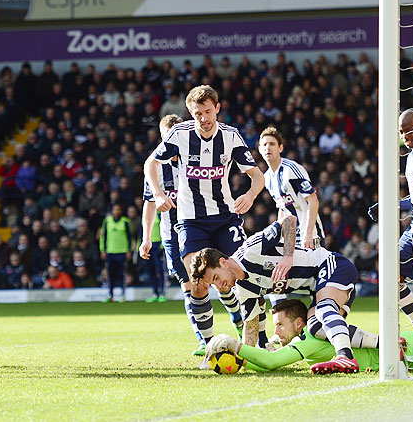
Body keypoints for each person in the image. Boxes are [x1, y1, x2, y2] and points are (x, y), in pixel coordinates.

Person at [144, 85, 264, 347]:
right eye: (198, 113)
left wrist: (251, 195)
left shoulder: (231, 136)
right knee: (198, 282)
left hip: (224, 217)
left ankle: (259, 343)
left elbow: (257, 176)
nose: (204, 118)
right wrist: (158, 194)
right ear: (190, 112)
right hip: (191, 221)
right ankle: (210, 348)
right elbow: (150, 163)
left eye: (208, 112)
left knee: (242, 275)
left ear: (217, 109)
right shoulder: (179, 134)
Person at [190, 215, 372, 374]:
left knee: (324, 310)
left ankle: (345, 357)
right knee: (316, 328)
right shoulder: (243, 290)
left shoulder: (251, 251)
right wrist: (241, 356)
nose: (219, 285)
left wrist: (287, 257)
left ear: (223, 262)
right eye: (213, 283)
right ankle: (386, 343)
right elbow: (251, 328)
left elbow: (289, 221)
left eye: (216, 277)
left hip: (329, 265)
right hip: (317, 288)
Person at [205, 299, 413, 373]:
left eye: (280, 325)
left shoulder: (309, 338)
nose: (275, 332)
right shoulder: (303, 338)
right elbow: (267, 366)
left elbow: (271, 362)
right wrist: (241, 359)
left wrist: (233, 344)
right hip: (404, 356)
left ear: (299, 323)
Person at [140, 114, 211, 355]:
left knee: (215, 281)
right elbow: (149, 203)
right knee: (187, 284)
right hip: (170, 233)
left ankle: (239, 324)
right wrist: (146, 237)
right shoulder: (155, 167)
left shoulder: (196, 158)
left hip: (199, 226)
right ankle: (203, 339)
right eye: (166, 136)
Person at [370, 110, 413, 335]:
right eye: (401, 132)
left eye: (408, 130)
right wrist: (393, 205)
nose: (405, 136)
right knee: (389, 271)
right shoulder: (410, 159)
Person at [259, 126, 324, 306]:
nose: (268, 148)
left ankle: (321, 319)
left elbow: (313, 200)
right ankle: (282, 323)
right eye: (264, 145)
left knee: (316, 282)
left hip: (309, 234)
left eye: (272, 144)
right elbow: (283, 208)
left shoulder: (291, 169)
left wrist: (308, 233)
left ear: (280, 147)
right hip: (290, 236)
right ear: (259, 149)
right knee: (274, 274)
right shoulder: (267, 178)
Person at [99, 203, 133, 302]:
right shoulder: (107, 222)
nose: (116, 211)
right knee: (110, 274)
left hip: (122, 252)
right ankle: (110, 294)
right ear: (112, 211)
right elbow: (103, 237)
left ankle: (123, 295)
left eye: (118, 209)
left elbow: (129, 237)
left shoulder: (125, 222)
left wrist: (129, 251)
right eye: (115, 209)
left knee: (122, 274)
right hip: (110, 252)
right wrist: (103, 250)